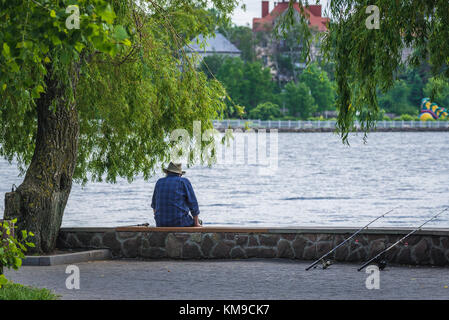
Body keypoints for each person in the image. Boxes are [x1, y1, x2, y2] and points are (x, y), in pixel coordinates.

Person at [151, 162, 202, 227]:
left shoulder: (159, 182)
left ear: (167, 172)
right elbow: (193, 203)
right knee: (199, 221)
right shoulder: (183, 181)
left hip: (160, 223)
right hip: (180, 222)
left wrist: (160, 220)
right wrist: (196, 223)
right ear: (180, 174)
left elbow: (154, 205)